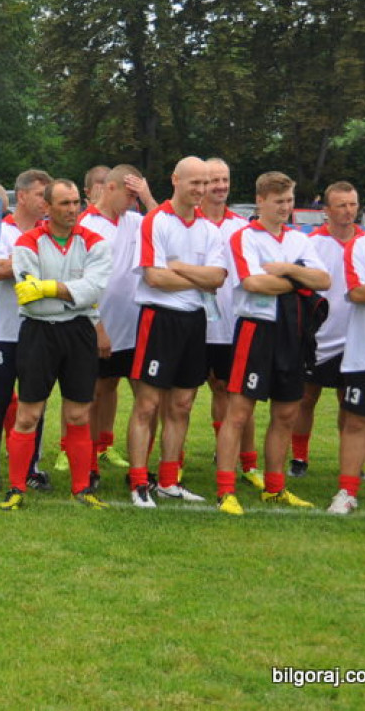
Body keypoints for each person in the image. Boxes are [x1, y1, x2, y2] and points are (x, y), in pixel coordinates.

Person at [213, 171, 329, 515]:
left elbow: (323, 279)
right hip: (256, 330)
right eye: (279, 201)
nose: (286, 207)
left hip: (292, 332)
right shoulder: (244, 237)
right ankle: (225, 490)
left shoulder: (299, 239)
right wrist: (298, 278)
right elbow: (252, 284)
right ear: (260, 200)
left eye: (290, 201)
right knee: (239, 412)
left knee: (286, 412)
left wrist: (281, 270)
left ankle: (275, 488)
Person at [0, 179, 112, 510]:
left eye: (76, 202)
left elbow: (94, 290)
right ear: (46, 208)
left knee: (78, 414)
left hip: (79, 333)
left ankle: (81, 488)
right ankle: (17, 487)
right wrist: (73, 294)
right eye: (64, 203)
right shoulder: (27, 242)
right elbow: (29, 300)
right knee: (28, 414)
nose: (72, 209)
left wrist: (47, 287)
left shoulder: (96, 242)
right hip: (38, 333)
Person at [126, 156, 227, 508]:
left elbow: (217, 279)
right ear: (175, 180)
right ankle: (139, 482)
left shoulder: (211, 229)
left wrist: (180, 268)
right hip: (160, 319)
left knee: (182, 404)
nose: (201, 190)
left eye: (206, 183)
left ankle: (169, 480)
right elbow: (154, 277)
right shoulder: (156, 221)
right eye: (194, 183)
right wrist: (196, 277)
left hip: (194, 320)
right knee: (148, 404)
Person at [0, 170, 52, 492]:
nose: (46, 202)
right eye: (41, 195)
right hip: (2, 329)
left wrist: (18, 265)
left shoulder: (48, 230)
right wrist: (31, 265)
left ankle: (30, 468)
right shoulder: (1, 229)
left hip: (39, 330)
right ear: (21, 196)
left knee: (35, 401)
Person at [77, 165, 146, 473]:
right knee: (91, 393)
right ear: (110, 187)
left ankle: (122, 457)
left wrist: (147, 195)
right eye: (130, 194)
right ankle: (86, 460)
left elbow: (170, 226)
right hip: (97, 328)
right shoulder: (86, 224)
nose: (134, 202)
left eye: (137, 196)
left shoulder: (136, 220)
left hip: (135, 328)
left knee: (143, 397)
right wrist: (98, 327)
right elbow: (79, 280)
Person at [290, 181, 362, 477]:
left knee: (351, 403)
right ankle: (299, 458)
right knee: (307, 398)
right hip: (319, 337)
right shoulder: (312, 243)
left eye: (353, 204)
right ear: (327, 211)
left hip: (357, 338)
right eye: (342, 205)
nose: (349, 211)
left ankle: (351, 466)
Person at [196, 158, 259, 485]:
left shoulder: (241, 227)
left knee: (233, 394)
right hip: (192, 324)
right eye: (213, 180)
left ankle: (244, 462)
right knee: (180, 397)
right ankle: (172, 464)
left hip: (232, 326)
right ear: (201, 185)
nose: (220, 186)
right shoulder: (189, 223)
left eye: (225, 179)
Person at [331, 230, 365, 513]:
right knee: (356, 422)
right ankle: (346, 492)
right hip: (364, 353)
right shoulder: (360, 245)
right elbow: (357, 292)